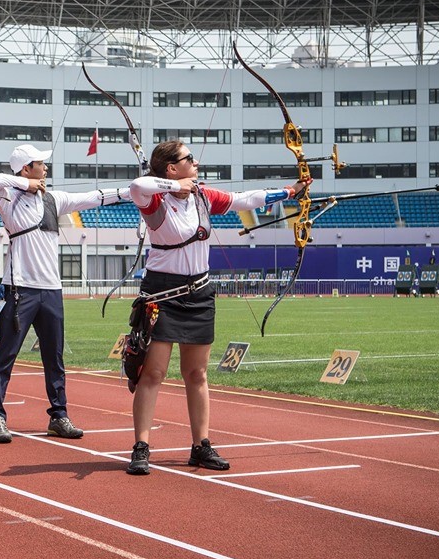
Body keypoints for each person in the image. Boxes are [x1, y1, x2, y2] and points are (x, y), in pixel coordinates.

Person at [124, 140, 311, 475]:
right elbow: (138, 184)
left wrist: (288, 191)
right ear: (171, 168)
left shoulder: (202, 196)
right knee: (152, 374)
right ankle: (141, 447)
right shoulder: (155, 200)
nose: (195, 163)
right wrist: (175, 186)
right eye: (188, 159)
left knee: (197, 374)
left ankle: (201, 446)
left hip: (197, 293)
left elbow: (244, 199)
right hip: (162, 295)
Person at [0, 144, 130, 443]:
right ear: (26, 169)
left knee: (55, 357)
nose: (46, 168)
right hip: (19, 289)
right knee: (6, 355)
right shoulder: (8, 198)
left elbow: (95, 197)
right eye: (40, 164)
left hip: (51, 290)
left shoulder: (55, 199)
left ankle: (59, 416)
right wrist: (25, 184)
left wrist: (134, 190)